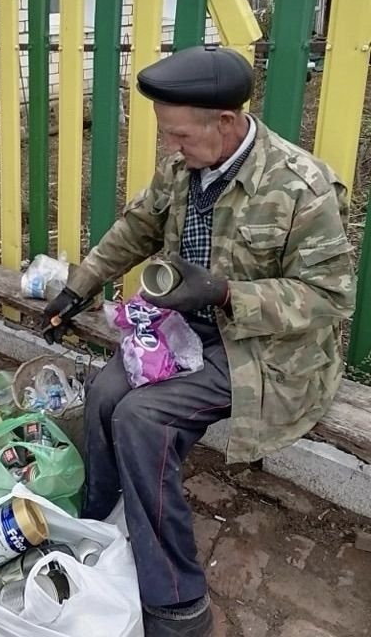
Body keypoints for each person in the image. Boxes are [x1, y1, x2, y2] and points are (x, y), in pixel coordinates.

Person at [43, 46, 355, 637]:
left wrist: (224, 292)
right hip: (182, 332)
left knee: (142, 418)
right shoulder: (184, 167)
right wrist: (77, 287)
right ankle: (103, 522)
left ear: (228, 123)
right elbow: (136, 226)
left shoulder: (300, 187)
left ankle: (178, 602)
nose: (171, 147)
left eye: (179, 135)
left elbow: (329, 299)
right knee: (107, 391)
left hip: (263, 353)